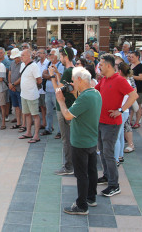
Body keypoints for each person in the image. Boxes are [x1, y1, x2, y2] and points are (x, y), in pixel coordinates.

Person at [56, 67, 102, 215]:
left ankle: (82, 206)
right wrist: (75, 94)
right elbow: (82, 107)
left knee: (81, 174)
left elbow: (68, 115)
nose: (73, 83)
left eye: (74, 80)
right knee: (92, 170)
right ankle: (91, 197)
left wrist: (61, 101)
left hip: (80, 141)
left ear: (80, 80)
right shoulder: (95, 93)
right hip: (91, 139)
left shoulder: (85, 97)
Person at [95, 54, 138, 197]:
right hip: (101, 121)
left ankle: (114, 185)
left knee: (108, 153)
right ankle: (107, 176)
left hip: (111, 124)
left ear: (108, 65)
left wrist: (121, 110)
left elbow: (133, 95)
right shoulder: (104, 80)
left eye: (100, 64)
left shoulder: (119, 80)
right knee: (102, 151)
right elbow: (94, 91)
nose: (99, 67)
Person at [50, 47, 76, 175]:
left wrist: (52, 76)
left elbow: (59, 89)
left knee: (66, 138)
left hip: (64, 107)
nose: (60, 59)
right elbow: (65, 85)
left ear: (65, 57)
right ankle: (71, 163)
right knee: (70, 137)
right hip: (70, 106)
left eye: (60, 56)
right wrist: (58, 74)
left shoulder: (68, 71)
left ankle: (68, 166)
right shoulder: (73, 69)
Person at [18, 49, 42, 143]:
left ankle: (36, 135)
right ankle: (28, 132)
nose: (21, 57)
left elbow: (39, 80)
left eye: (23, 55)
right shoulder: (22, 65)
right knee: (27, 114)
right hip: (24, 94)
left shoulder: (34, 66)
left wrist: (32, 86)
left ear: (29, 56)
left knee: (35, 115)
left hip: (32, 95)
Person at [114, 62, 134, 165]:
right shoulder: (127, 80)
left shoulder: (123, 81)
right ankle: (120, 155)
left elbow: (133, 96)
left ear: (120, 71)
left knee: (116, 136)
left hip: (122, 111)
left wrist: (121, 110)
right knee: (120, 134)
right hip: (124, 111)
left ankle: (116, 158)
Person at [42, 48, 64, 137]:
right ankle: (48, 128)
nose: (49, 56)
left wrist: (49, 76)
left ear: (56, 56)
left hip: (57, 92)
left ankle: (60, 131)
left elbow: (57, 77)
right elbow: (43, 75)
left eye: (51, 54)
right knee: (49, 112)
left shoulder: (60, 65)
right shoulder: (49, 63)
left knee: (59, 112)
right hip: (48, 91)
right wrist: (51, 76)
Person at [129, 51, 142, 130]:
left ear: (137, 57)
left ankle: (137, 122)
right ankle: (130, 121)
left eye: (133, 57)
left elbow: (140, 77)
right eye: (130, 57)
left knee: (138, 105)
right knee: (131, 106)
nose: (131, 59)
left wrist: (131, 76)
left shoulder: (140, 66)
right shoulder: (130, 65)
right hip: (131, 88)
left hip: (138, 88)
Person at [9, 48, 23, 130]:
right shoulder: (12, 63)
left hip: (19, 88)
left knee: (22, 107)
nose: (15, 59)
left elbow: (22, 77)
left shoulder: (22, 64)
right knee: (16, 106)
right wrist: (10, 83)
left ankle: (23, 123)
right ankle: (18, 122)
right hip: (12, 88)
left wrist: (13, 84)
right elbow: (9, 74)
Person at [36, 49, 49, 131]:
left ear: (44, 54)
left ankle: (48, 123)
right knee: (41, 106)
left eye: (40, 53)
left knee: (47, 107)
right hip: (39, 89)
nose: (38, 55)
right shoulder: (37, 63)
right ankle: (44, 123)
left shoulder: (48, 63)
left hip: (45, 88)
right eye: (38, 53)